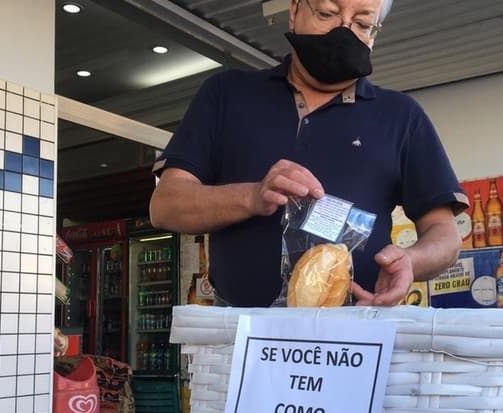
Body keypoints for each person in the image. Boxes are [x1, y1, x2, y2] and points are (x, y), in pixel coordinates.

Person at [150, 0, 468, 309]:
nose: (343, 31)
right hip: (238, 332)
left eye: (362, 23)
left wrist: (411, 261)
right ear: (294, 11)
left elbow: (444, 235)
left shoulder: (401, 116)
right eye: (327, 13)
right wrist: (252, 196)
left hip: (354, 335)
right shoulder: (227, 95)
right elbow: (166, 206)